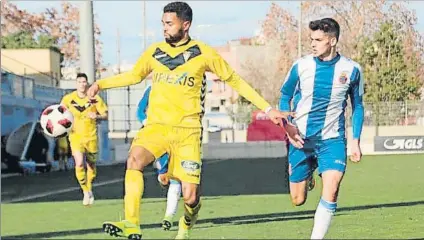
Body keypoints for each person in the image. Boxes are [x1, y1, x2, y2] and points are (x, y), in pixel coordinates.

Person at [88, 2, 292, 239]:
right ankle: (132, 223)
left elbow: (235, 81)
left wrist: (268, 109)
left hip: (188, 133)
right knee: (134, 160)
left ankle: (188, 221)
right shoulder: (154, 52)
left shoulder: (203, 53)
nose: (164, 28)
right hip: (157, 127)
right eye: (163, 23)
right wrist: (100, 84)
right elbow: (134, 76)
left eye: (169, 23)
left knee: (191, 197)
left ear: (185, 25)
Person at [279, 18, 364, 239]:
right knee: (297, 200)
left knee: (333, 187)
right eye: (311, 39)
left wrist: (355, 140)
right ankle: (308, 177)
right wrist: (287, 127)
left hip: (332, 140)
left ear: (333, 40)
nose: (313, 44)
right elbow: (285, 96)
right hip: (301, 137)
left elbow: (358, 106)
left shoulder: (352, 69)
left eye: (318, 39)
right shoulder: (301, 65)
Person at [137, 85, 182, 231]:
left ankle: (168, 217)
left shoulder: (181, 88)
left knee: (177, 180)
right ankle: (162, 174)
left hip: (177, 137)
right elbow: (140, 110)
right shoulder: (152, 89)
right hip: (158, 137)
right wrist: (146, 122)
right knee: (164, 177)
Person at [61, 73, 108, 206]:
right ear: (76, 84)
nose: (82, 84)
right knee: (79, 163)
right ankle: (85, 191)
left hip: (91, 137)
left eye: (84, 82)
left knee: (91, 165)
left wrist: (97, 116)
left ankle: (89, 187)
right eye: (79, 82)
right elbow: (60, 112)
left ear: (86, 84)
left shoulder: (94, 99)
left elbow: (105, 114)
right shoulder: (68, 99)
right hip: (75, 136)